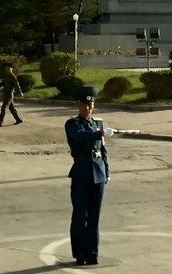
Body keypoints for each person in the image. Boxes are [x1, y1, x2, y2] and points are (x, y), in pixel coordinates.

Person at [64, 88, 112, 266]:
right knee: (80, 215)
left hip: (98, 173)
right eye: (85, 105)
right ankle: (80, 254)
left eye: (91, 105)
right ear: (78, 105)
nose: (88, 109)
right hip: (81, 172)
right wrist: (101, 133)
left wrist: (107, 172)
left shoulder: (98, 124)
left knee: (94, 216)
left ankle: (92, 253)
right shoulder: (72, 124)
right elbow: (81, 136)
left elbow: (103, 150)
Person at [0, 62, 23, 127]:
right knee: (12, 108)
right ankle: (18, 119)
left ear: (11, 68)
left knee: (3, 108)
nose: (7, 69)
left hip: (9, 95)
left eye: (9, 68)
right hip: (6, 94)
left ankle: (0, 122)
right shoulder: (6, 76)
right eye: (6, 68)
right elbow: (3, 82)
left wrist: (20, 92)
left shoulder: (13, 77)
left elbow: (17, 85)